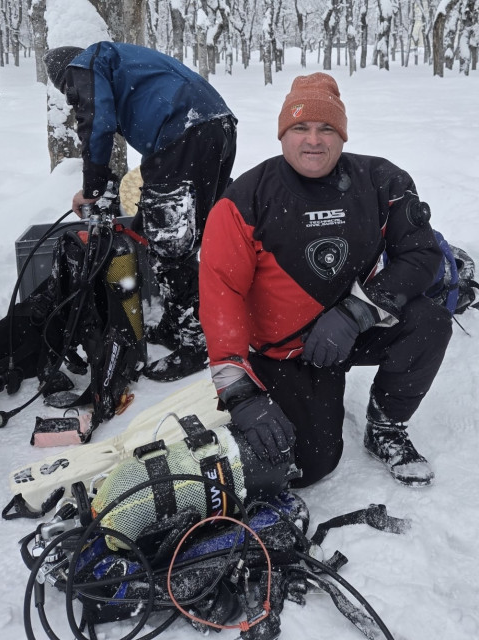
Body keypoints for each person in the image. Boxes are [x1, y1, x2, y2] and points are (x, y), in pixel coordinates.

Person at [198, 72, 452, 488]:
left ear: (342, 135)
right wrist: (239, 394)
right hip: (285, 351)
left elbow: (422, 255)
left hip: (355, 328)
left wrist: (355, 313)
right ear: (283, 134)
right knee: (309, 467)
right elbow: (221, 295)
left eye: (327, 128)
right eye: (300, 127)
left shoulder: (382, 182)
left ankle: (385, 426)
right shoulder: (245, 200)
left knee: (430, 322)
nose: (313, 140)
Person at [43, 42, 237, 381]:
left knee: (170, 244)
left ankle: (196, 344)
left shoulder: (84, 64)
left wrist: (91, 188)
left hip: (184, 131)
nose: (73, 100)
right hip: (215, 126)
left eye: (70, 95)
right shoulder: (117, 61)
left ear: (67, 76)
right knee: (166, 232)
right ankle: (176, 324)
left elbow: (95, 122)